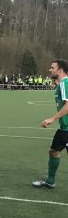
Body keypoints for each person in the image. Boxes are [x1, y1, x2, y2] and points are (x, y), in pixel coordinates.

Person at [32, 59, 68, 189]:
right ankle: (50, 181)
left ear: (60, 69)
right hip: (64, 128)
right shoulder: (62, 83)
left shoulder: (65, 83)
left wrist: (52, 119)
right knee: (53, 151)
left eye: (52, 67)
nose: (49, 69)